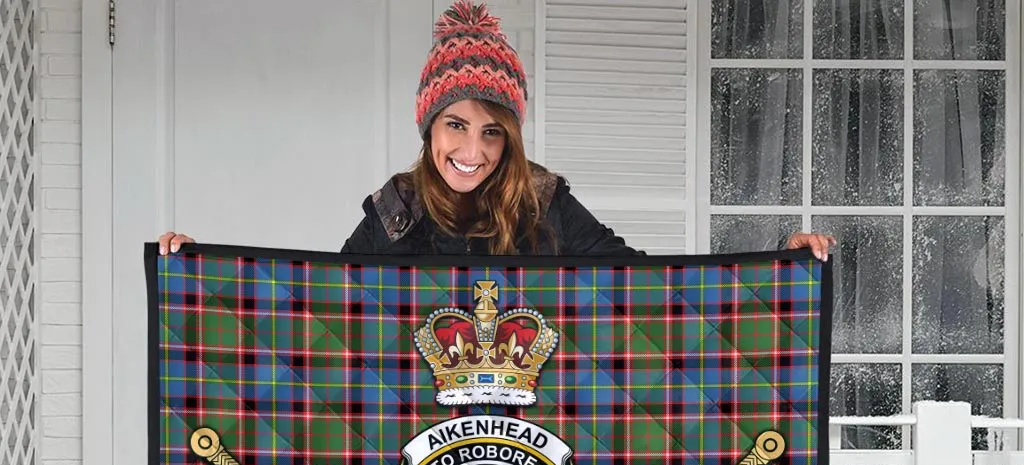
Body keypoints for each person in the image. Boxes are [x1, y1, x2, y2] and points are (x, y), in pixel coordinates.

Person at [159, 1, 835, 262]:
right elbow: (319, 311)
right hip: (418, 449)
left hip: (540, 439)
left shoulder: (545, 202)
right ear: (429, 127)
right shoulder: (394, 212)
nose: (472, 151)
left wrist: (782, 264)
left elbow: (651, 289)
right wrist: (198, 271)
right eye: (456, 126)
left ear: (511, 137)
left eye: (492, 132)